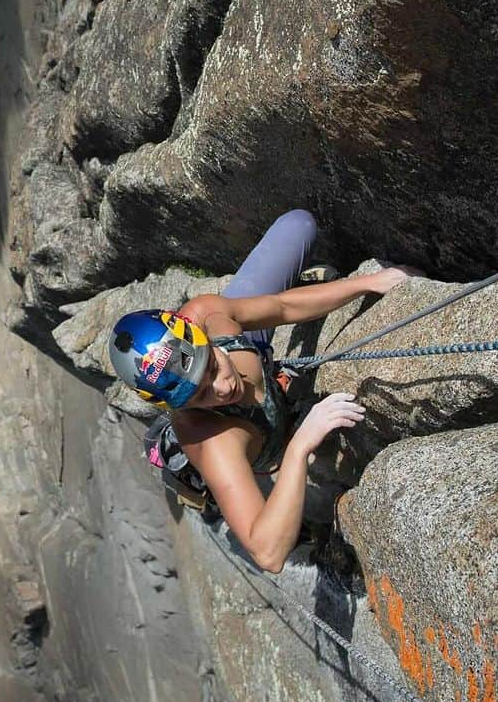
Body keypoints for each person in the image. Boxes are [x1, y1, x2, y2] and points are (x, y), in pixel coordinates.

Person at [108, 209, 415, 573]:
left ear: (201, 337)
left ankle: (296, 302)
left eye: (211, 367)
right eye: (201, 395)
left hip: (249, 348)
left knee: (298, 224)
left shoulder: (208, 317)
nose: (222, 388)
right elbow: (267, 554)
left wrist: (368, 283)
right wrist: (300, 446)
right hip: (269, 441)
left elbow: (283, 307)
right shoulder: (212, 440)